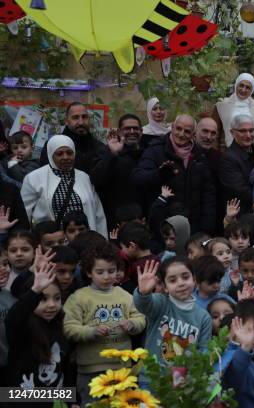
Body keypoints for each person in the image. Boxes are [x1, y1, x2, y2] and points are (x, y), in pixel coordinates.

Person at [63, 243, 146, 404]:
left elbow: (140, 317)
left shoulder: (124, 295)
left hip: (122, 369)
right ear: (88, 272)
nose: (107, 276)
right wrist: (91, 331)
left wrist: (132, 324)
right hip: (91, 369)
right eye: (100, 272)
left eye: (111, 271)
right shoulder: (79, 297)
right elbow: (69, 328)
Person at [132, 114, 217, 234]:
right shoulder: (156, 150)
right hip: (164, 225)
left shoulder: (199, 155)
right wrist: (159, 174)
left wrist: (206, 227)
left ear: (193, 134)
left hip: (193, 225)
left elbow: (208, 193)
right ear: (172, 127)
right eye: (178, 129)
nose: (181, 134)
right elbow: (138, 178)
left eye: (187, 131)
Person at [5, 261, 74, 390]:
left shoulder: (61, 327)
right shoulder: (22, 328)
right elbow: (12, 319)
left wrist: (73, 401)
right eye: (43, 299)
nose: (52, 304)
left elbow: (67, 368)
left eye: (57, 298)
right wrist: (36, 290)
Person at [21, 135, 107, 237]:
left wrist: (102, 239)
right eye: (59, 153)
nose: (65, 157)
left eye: (69, 153)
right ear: (51, 154)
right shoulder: (34, 178)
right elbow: (24, 214)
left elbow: (98, 214)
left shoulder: (84, 177)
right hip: (53, 242)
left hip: (84, 240)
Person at [90, 114, 147, 229]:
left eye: (135, 128)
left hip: (141, 220)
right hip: (115, 221)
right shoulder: (106, 151)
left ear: (141, 131)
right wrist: (112, 154)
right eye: (127, 128)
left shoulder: (147, 153)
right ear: (120, 131)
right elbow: (96, 180)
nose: (132, 131)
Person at [39, 102, 104, 175]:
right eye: (75, 118)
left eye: (84, 117)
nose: (81, 122)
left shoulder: (99, 147)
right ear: (66, 121)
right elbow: (44, 176)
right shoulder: (53, 146)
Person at [219, 114, 254, 211]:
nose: (248, 135)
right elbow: (240, 191)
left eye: (251, 130)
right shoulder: (228, 159)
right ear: (232, 132)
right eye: (243, 131)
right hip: (241, 214)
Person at [213, 73, 254, 149]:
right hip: (229, 151)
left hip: (252, 152)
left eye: (248, 87)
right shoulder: (222, 104)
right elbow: (215, 133)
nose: (243, 90)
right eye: (241, 85)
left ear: (252, 90)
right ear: (236, 85)